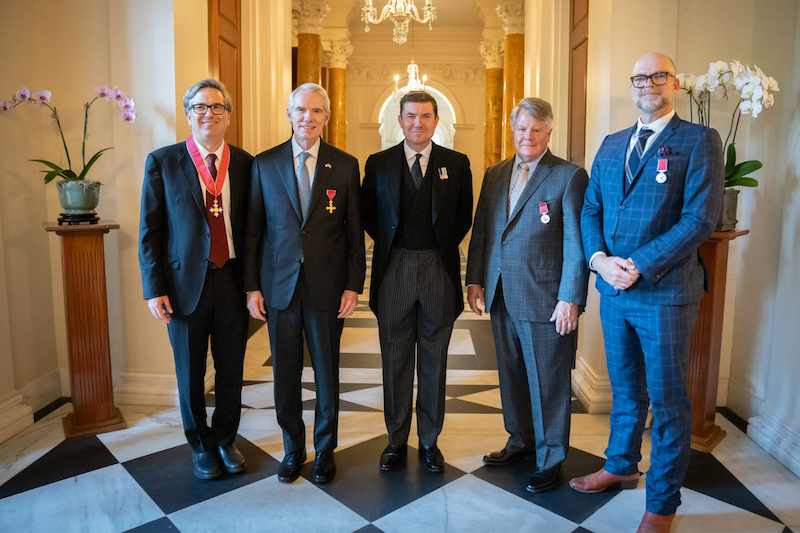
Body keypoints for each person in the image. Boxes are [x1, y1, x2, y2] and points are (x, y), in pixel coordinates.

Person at [571, 52, 723, 533]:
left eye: (658, 76)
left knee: (668, 401)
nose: (647, 84)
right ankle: (620, 466)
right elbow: (591, 209)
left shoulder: (699, 140)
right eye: (639, 77)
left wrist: (638, 264)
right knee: (625, 390)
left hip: (665, 293)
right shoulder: (612, 143)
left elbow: (700, 219)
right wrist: (599, 260)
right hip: (614, 291)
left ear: (674, 84)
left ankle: (661, 503)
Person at [244, 83, 365, 485]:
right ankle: (292, 449)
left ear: (326, 117)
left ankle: (325, 450)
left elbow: (354, 233)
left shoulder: (345, 165)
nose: (307, 117)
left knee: (326, 372)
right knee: (286, 374)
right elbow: (253, 233)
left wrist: (353, 285)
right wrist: (252, 287)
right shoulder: (264, 164)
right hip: (278, 287)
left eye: (316, 111)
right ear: (289, 114)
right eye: (300, 109)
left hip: (326, 287)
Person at [466, 97, 588, 493]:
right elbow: (484, 230)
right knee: (512, 375)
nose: (528, 136)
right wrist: (475, 279)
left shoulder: (568, 176)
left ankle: (550, 458)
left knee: (548, 383)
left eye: (536, 130)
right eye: (522, 128)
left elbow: (576, 242)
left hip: (546, 299)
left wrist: (570, 298)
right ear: (512, 130)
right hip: (501, 293)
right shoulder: (495, 174)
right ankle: (520, 441)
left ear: (548, 133)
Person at [139, 79, 252, 480]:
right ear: (189, 114)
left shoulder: (246, 163)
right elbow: (150, 231)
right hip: (184, 285)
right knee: (189, 371)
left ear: (228, 116)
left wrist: (255, 284)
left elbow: (254, 230)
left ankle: (225, 439)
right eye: (200, 107)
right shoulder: (163, 162)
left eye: (217, 107)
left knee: (231, 368)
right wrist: (154, 289)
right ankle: (201, 446)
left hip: (233, 280)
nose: (209, 114)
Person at [362, 91, 473, 473]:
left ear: (436, 121)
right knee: (394, 355)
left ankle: (429, 440)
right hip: (394, 265)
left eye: (426, 116)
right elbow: (369, 216)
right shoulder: (378, 164)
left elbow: (462, 217)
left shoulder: (456, 164)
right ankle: (395, 439)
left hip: (437, 266)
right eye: (411, 116)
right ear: (400, 120)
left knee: (434, 357)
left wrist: (435, 249)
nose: (418, 123)